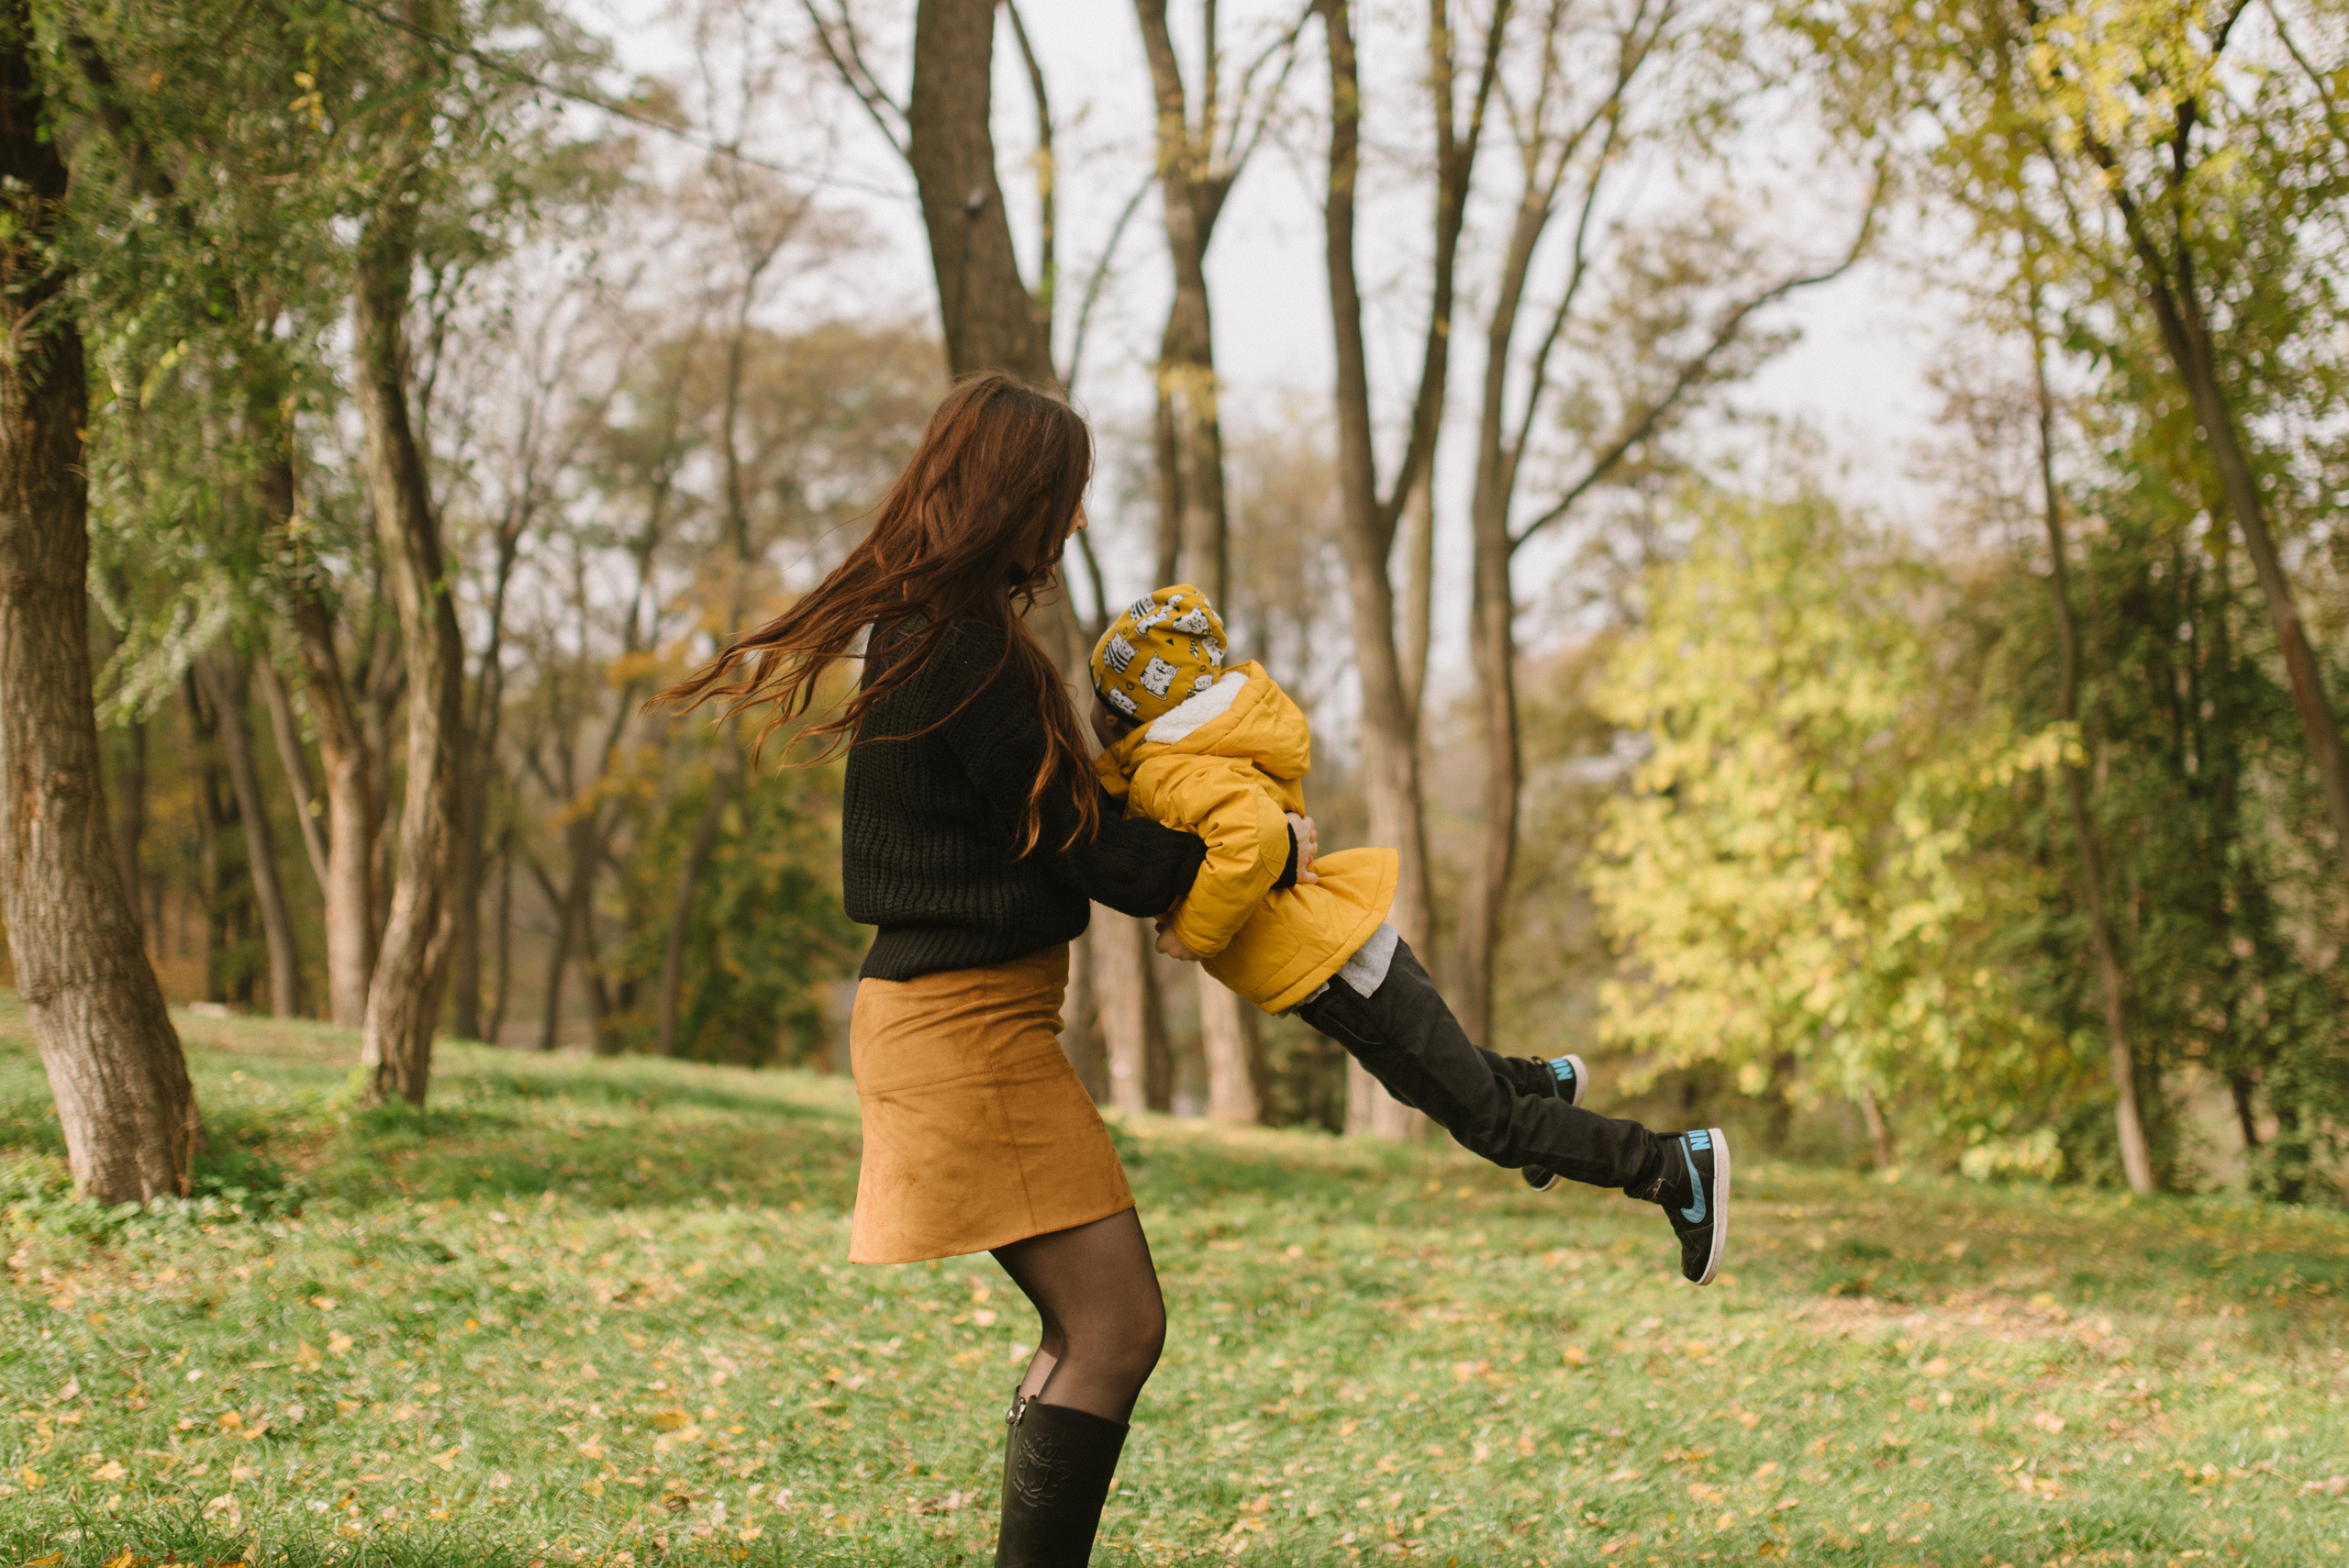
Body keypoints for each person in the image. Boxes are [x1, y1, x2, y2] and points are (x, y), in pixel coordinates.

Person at [657, 381, 1311, 1566]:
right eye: (1061, 496)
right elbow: (1080, 839)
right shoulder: (951, 640)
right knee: (1116, 1324)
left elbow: (1059, 821)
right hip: (961, 1027)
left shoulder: (949, 631)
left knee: (1093, 1325)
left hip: (975, 1019)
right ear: (1011, 489)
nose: (1069, 522)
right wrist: (1250, 856)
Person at [1088, 584, 1731, 1285]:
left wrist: (1193, 932)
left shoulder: (1172, 767)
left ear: (1140, 712)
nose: (1095, 715)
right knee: (1430, 1083)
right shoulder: (1189, 751)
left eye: (1106, 703)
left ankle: (1670, 1166)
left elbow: (1251, 840)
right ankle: (1546, 1083)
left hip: (1343, 967)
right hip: (1341, 960)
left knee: (1492, 1126)